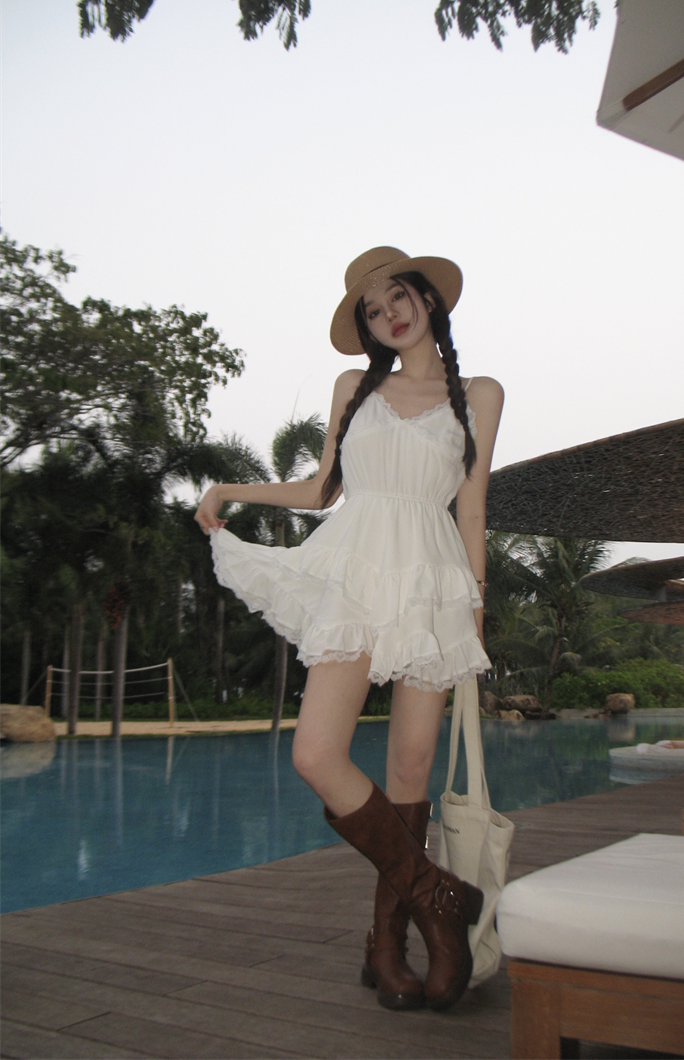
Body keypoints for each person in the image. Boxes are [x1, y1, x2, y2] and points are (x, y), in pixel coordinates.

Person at [195, 246, 504, 1012]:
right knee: (316, 753)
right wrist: (229, 488)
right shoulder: (354, 387)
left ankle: (388, 948)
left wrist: (474, 605)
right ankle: (438, 897)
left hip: (432, 577)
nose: (388, 313)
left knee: (410, 767)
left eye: (397, 296)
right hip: (357, 570)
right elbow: (320, 489)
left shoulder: (480, 393)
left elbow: (471, 506)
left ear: (427, 299)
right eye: (372, 309)